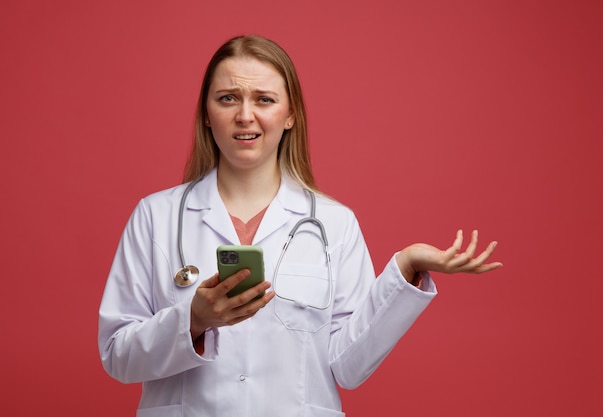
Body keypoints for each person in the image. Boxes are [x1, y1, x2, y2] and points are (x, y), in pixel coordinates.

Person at [98, 34, 502, 417]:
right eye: (227, 98)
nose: (245, 115)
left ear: (290, 115)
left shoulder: (335, 224)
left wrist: (407, 267)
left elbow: (349, 366)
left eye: (265, 99)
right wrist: (194, 320)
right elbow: (117, 354)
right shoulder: (156, 217)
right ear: (207, 114)